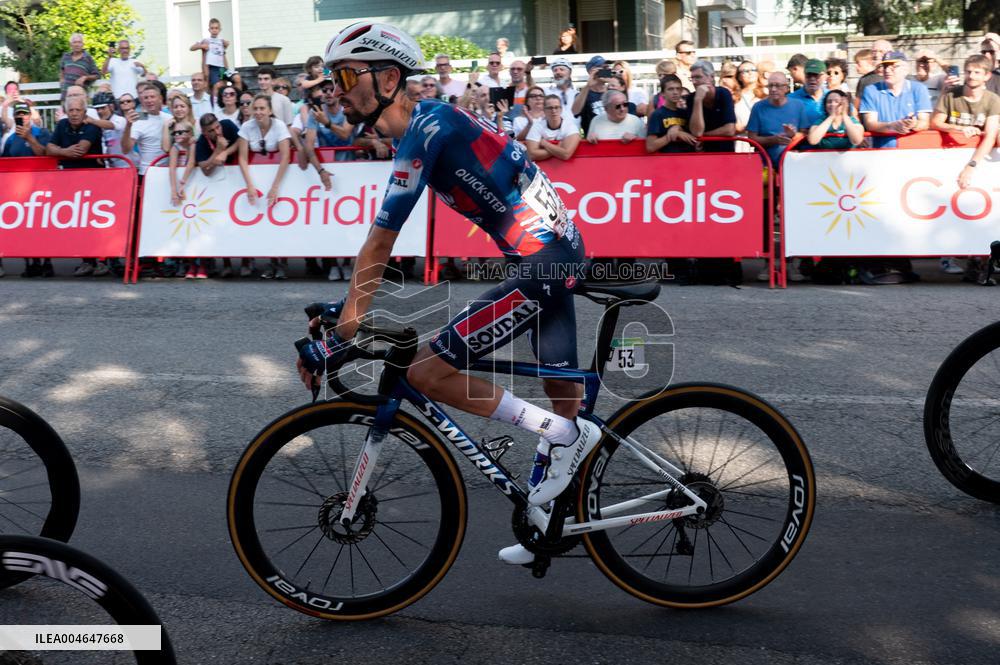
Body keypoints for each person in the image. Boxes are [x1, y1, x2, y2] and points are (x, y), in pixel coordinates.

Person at [301, 23, 598, 568]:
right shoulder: (427, 124)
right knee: (564, 394)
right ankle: (553, 519)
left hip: (546, 263)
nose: (335, 89)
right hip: (550, 257)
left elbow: (380, 241)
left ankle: (565, 438)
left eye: (345, 75)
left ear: (388, 77)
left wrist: (347, 327)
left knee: (426, 372)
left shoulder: (427, 131)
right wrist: (345, 311)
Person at [931, 53, 1000, 279]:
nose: (971, 76)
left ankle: (981, 264)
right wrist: (960, 129)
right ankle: (948, 255)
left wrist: (971, 165)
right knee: (946, 205)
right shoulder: (952, 95)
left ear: (987, 75)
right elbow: (936, 122)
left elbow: (990, 135)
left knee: (976, 208)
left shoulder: (992, 99)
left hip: (978, 161)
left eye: (977, 72)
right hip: (947, 157)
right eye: (968, 71)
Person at [237, 94, 293, 279]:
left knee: (280, 219)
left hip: (278, 175)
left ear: (270, 110)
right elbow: (242, 157)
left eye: (262, 108)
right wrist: (249, 185)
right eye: (256, 108)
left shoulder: (279, 126)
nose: (259, 112)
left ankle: (281, 263)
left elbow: (285, 156)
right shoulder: (247, 126)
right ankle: (265, 262)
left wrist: (275, 187)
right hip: (256, 175)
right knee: (257, 220)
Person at [860, 51, 931, 148]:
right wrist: (891, 126)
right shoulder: (871, 90)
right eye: (885, 66)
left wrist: (914, 124)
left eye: (893, 66)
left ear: (905, 70)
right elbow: (870, 123)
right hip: (882, 152)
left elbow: (925, 123)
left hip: (912, 151)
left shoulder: (919, 89)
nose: (887, 70)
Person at [747, 71, 809, 167]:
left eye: (778, 85)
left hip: (792, 163)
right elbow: (751, 139)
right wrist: (773, 140)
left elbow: (805, 133)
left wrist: (793, 135)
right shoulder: (758, 107)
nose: (773, 89)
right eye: (770, 85)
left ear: (786, 88)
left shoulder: (798, 105)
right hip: (765, 164)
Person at [687, 60, 736, 152]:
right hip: (703, 153)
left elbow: (730, 130)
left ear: (711, 77)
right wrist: (698, 100)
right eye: (692, 78)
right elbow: (697, 132)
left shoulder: (723, 94)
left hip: (725, 152)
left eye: (698, 77)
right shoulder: (691, 98)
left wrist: (703, 136)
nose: (694, 82)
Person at [121, 83, 167, 176]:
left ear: (160, 98)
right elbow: (126, 149)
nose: (149, 100)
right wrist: (128, 125)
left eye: (152, 97)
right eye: (146, 98)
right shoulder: (138, 118)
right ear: (142, 101)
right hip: (147, 172)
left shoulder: (169, 117)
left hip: (168, 170)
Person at [646, 74, 698, 154]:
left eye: (678, 89)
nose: (675, 92)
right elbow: (650, 146)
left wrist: (678, 129)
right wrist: (672, 135)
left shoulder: (686, 113)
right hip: (667, 161)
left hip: (688, 159)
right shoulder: (657, 114)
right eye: (670, 89)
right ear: (662, 93)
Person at [526, 94, 580, 160]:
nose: (554, 111)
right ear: (544, 110)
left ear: (561, 109)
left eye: (556, 107)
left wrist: (546, 144)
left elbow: (566, 154)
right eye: (550, 108)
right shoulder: (537, 126)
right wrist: (558, 149)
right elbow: (531, 155)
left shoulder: (570, 126)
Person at [572, 55, 612, 135]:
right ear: (592, 71)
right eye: (603, 67)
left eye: (607, 67)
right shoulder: (584, 94)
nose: (607, 70)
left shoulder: (612, 91)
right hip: (593, 141)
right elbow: (575, 111)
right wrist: (588, 86)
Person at [190, 17, 230, 87]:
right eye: (212, 28)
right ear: (209, 30)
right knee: (215, 85)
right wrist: (202, 46)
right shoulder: (206, 40)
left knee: (224, 85)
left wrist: (226, 44)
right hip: (212, 67)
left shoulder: (221, 40)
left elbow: (225, 49)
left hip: (222, 67)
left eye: (216, 28)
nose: (214, 30)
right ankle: (213, 98)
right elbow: (191, 48)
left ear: (220, 30)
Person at [789, 59, 827, 126]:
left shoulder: (833, 97)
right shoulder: (791, 99)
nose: (812, 79)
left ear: (825, 76)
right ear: (804, 75)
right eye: (809, 75)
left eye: (816, 75)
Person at [856, 40, 892, 108]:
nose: (877, 55)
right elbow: (856, 108)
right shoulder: (864, 80)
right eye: (874, 51)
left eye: (881, 51)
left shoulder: (897, 77)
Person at [734, 61, 760, 152]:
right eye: (745, 70)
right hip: (741, 143)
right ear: (739, 76)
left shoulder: (767, 94)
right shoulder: (734, 97)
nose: (750, 72)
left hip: (761, 143)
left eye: (753, 69)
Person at [544, 57, 577, 125]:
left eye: (561, 69)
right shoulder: (547, 92)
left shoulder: (577, 95)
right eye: (555, 70)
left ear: (570, 73)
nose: (558, 72)